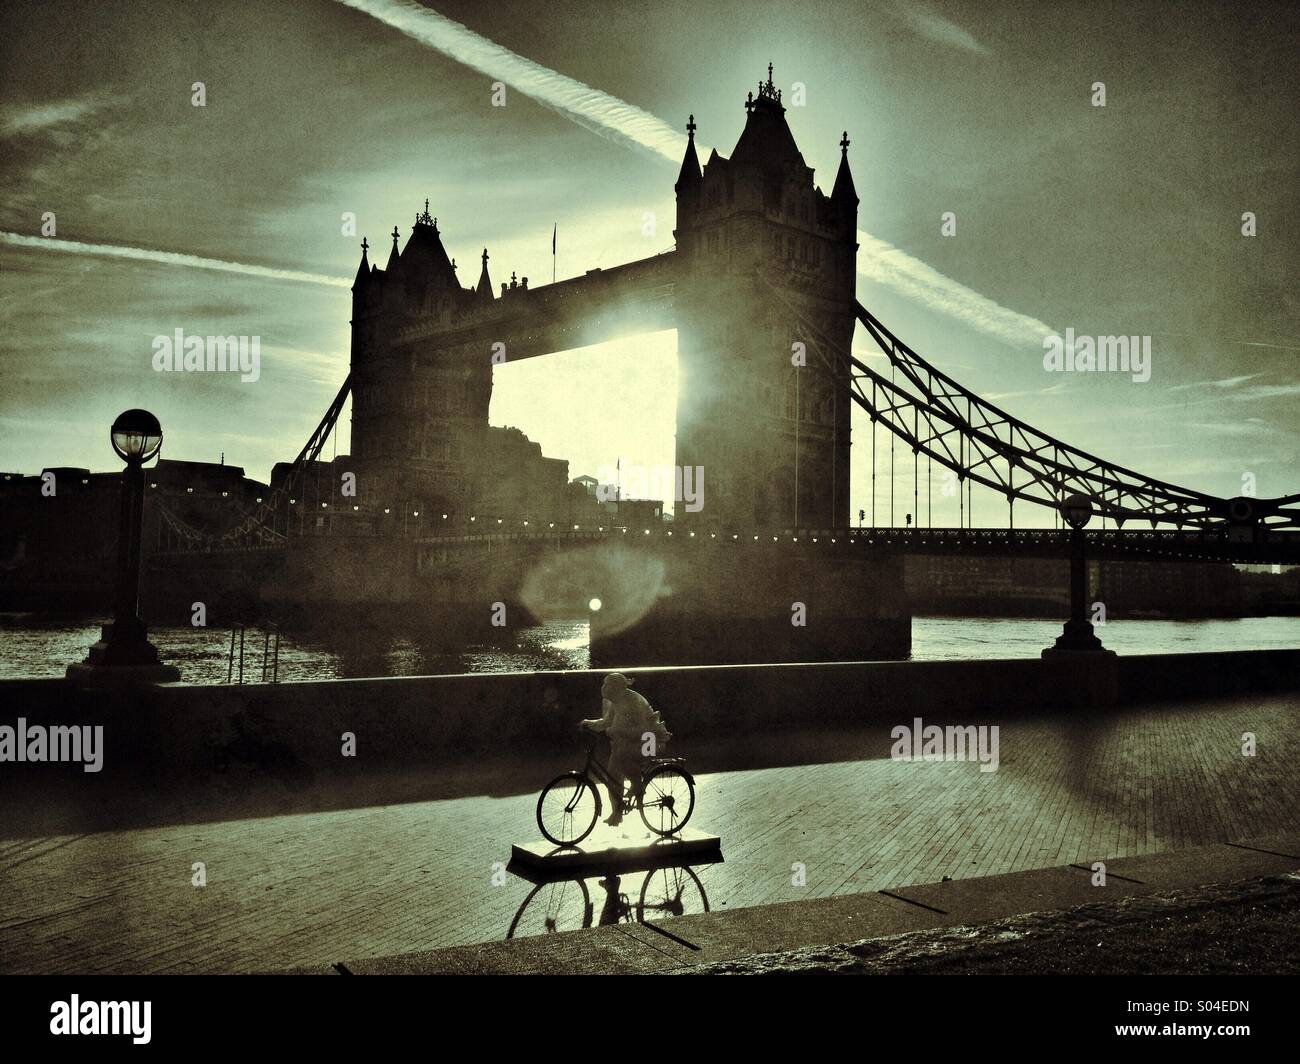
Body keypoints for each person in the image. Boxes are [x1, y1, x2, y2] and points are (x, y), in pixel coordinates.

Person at [581, 673, 672, 826]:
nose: (604, 688)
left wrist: (617, 731)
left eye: (608, 685)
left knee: (622, 756)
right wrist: (589, 723)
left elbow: (643, 730)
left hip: (650, 742)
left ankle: (637, 784)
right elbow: (606, 722)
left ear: (617, 688)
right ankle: (617, 814)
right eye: (604, 684)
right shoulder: (615, 701)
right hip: (629, 743)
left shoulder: (632, 701)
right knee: (612, 777)